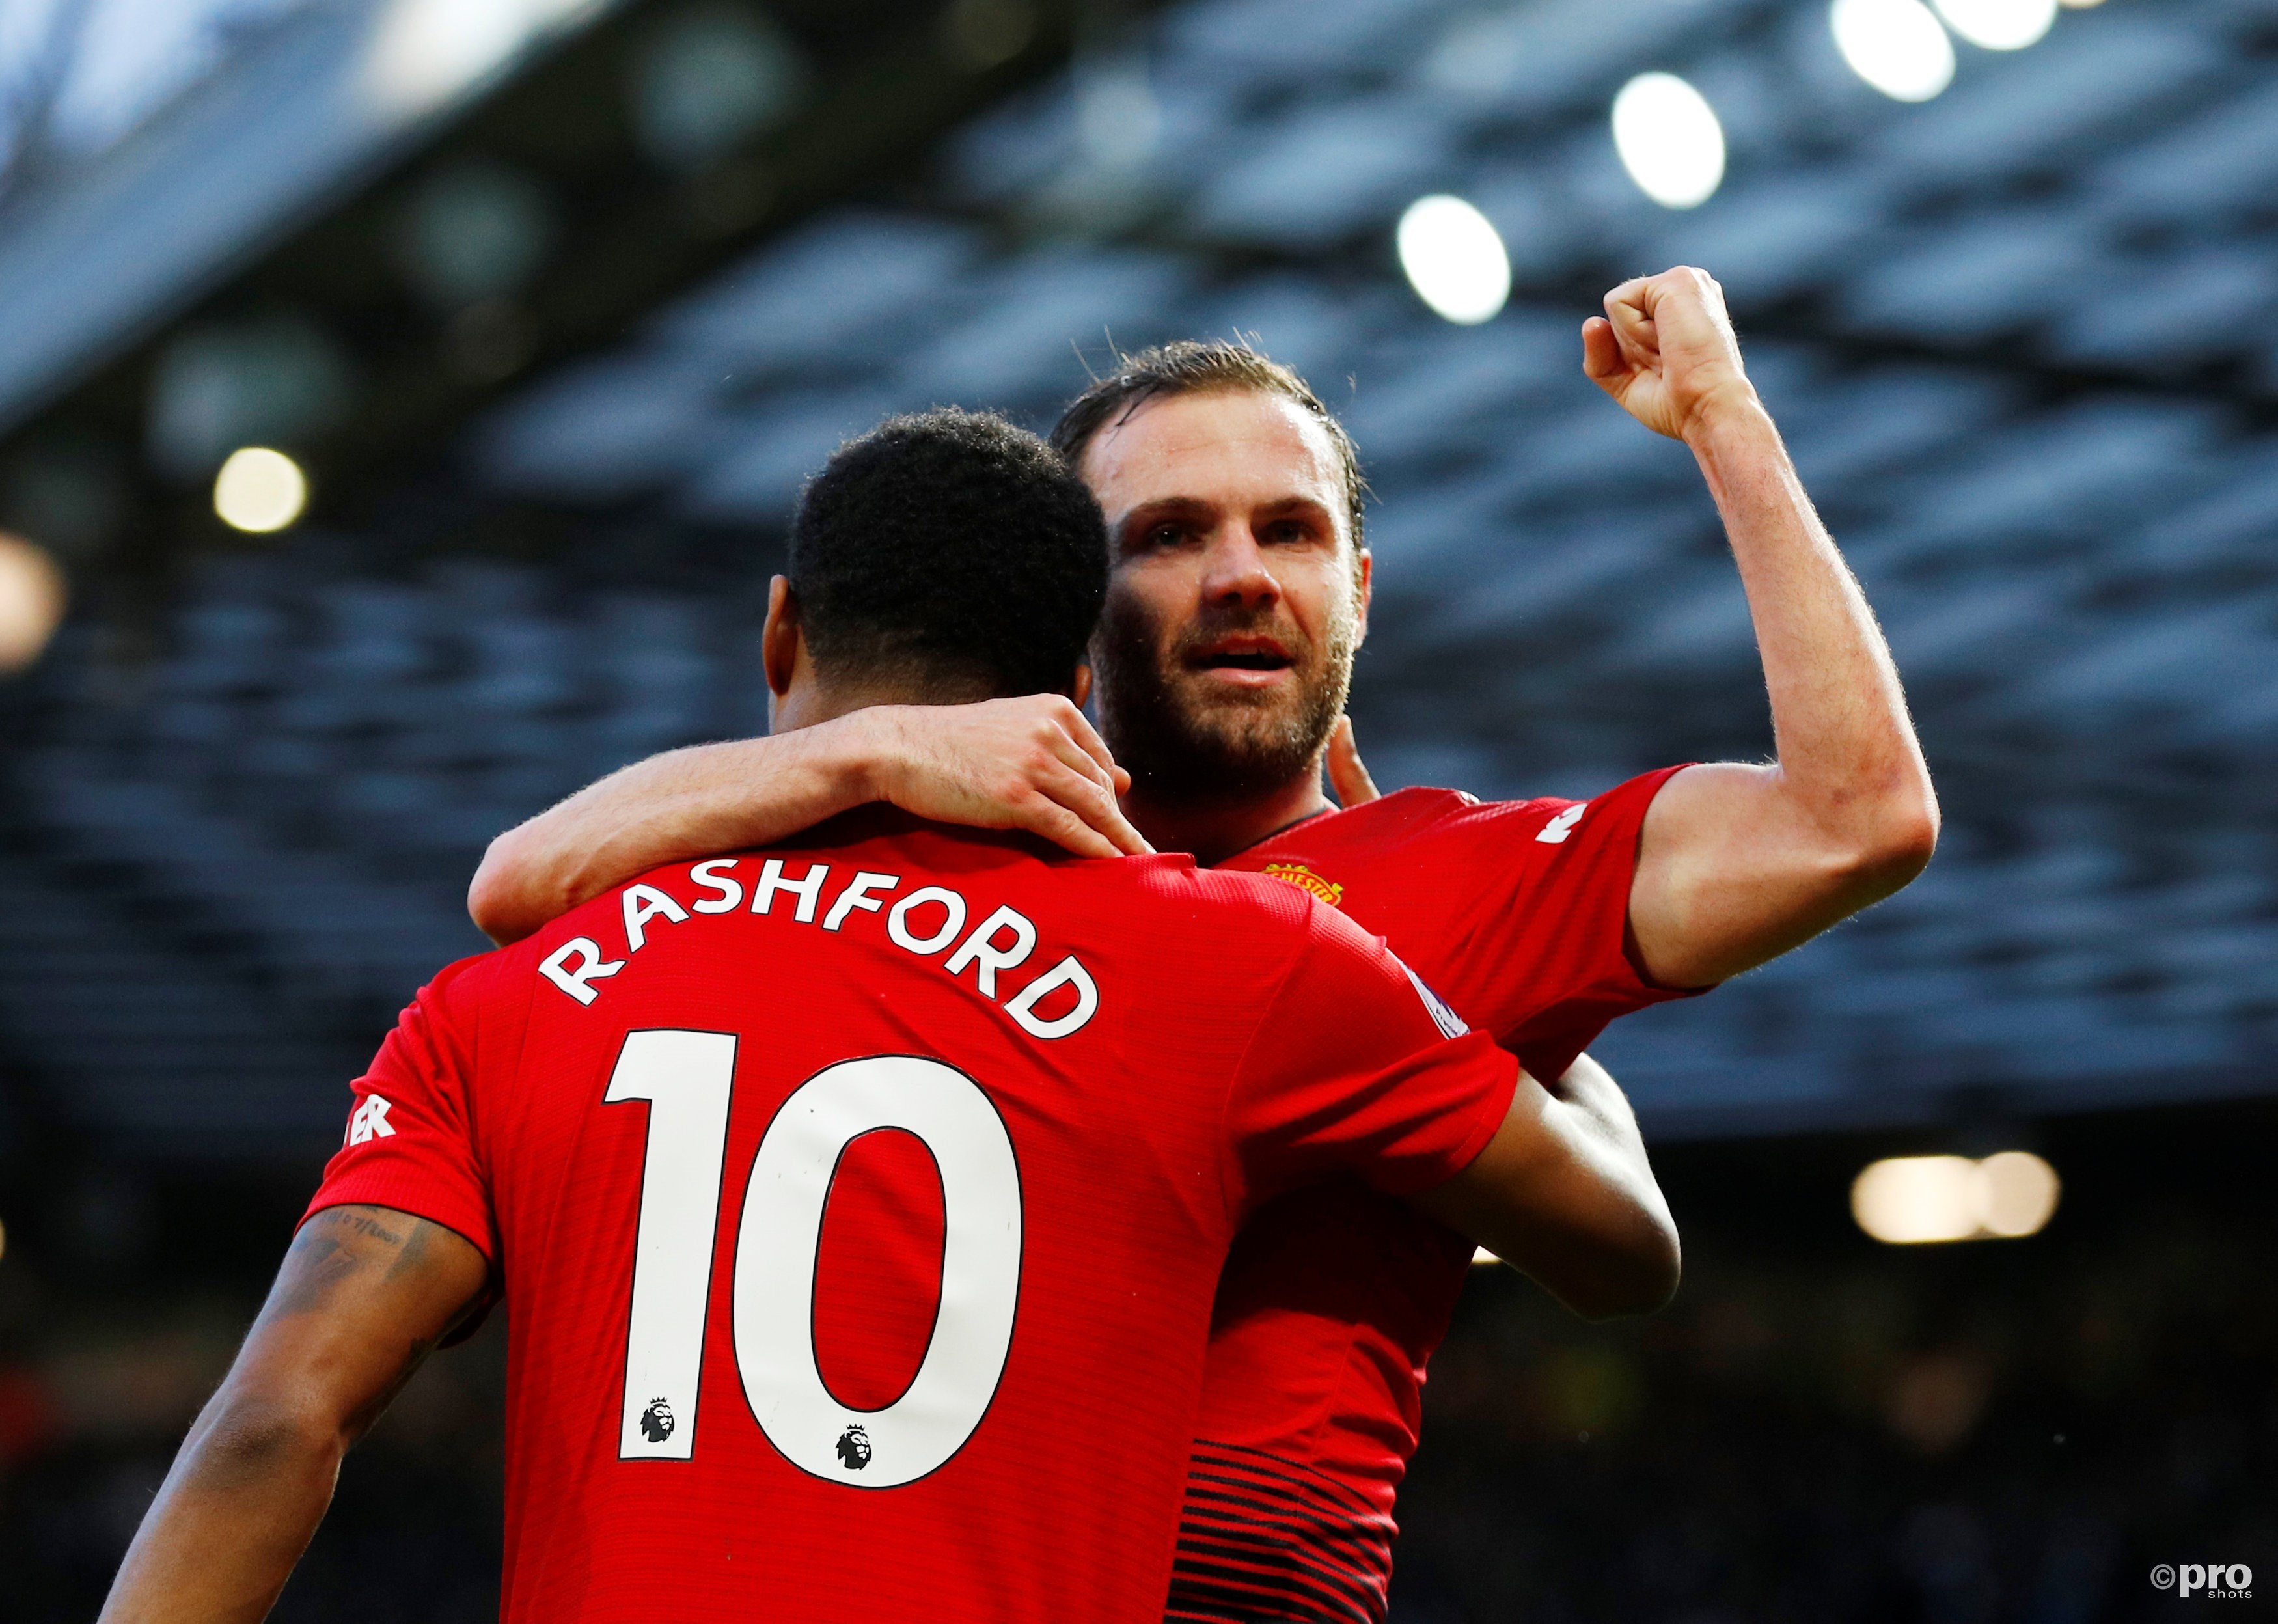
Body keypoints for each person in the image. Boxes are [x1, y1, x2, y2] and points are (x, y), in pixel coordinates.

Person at [469, 267, 1938, 1619]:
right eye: (1168, 537)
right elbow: (528, 881)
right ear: (1073, 613)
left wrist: (1722, 418)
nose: (1241, 573)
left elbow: (1854, 820)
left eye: (1288, 532)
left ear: (1359, 589)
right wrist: (869, 753)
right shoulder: (932, 875)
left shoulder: (1455, 875)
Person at [99, 412, 1678, 1624]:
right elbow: (1621, 1249)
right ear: (1076, 672)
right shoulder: (1245, 966)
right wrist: (1479, 984)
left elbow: (271, 1427)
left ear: (781, 634)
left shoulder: (507, 1002)